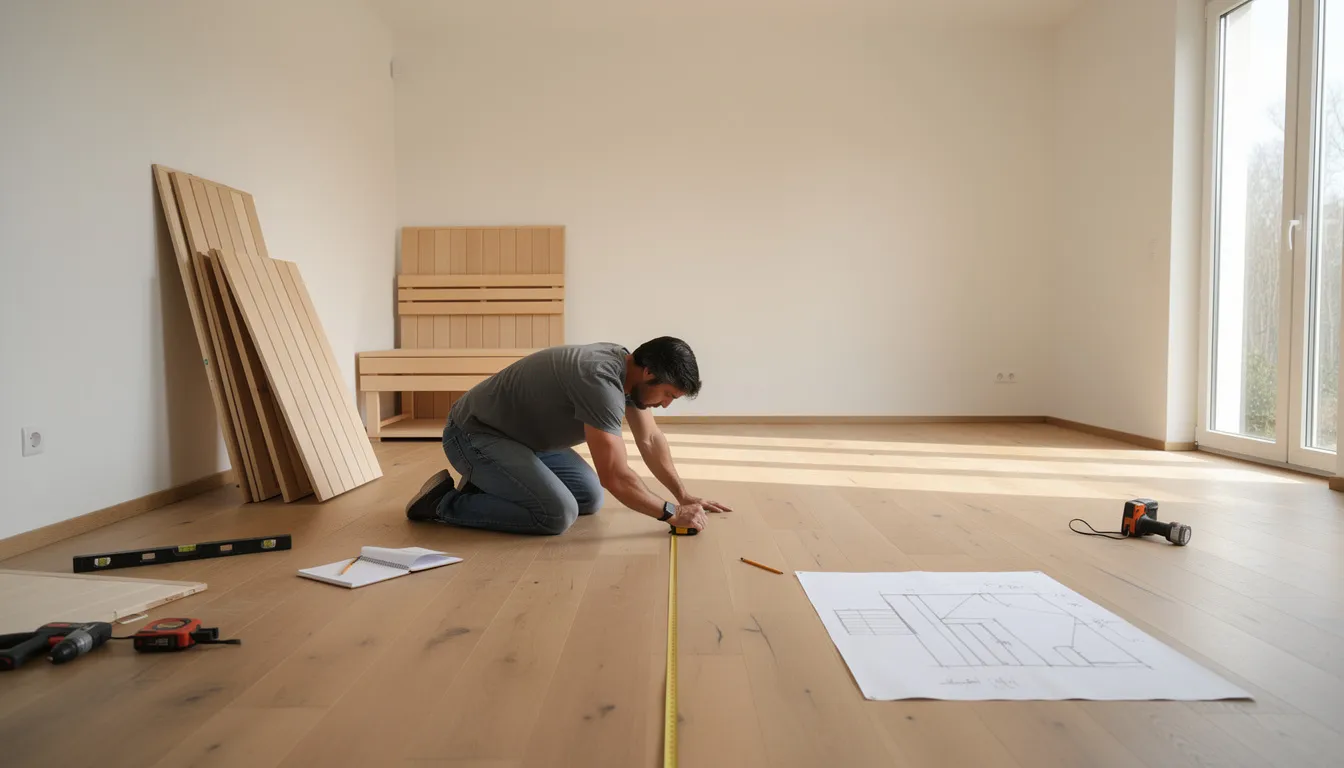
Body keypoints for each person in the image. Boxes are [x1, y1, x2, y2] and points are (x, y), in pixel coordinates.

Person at [405, 337, 731, 535]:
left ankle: (493, 481)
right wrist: (672, 514)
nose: (665, 404)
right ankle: (444, 504)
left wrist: (684, 495)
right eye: (668, 394)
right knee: (556, 515)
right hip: (475, 434)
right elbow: (615, 475)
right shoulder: (600, 381)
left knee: (588, 498)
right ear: (650, 373)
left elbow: (650, 440)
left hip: (524, 438)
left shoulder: (630, 372)